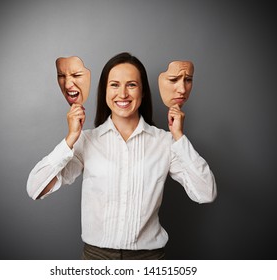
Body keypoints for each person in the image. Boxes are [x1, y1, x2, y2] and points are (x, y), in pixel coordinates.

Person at [26, 52, 217, 260]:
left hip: (149, 261)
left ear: (143, 92)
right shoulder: (87, 141)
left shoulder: (165, 142)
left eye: (132, 85)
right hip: (96, 260)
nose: (123, 94)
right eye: (115, 85)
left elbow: (206, 193)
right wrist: (71, 138)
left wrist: (179, 137)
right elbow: (35, 188)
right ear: (104, 91)